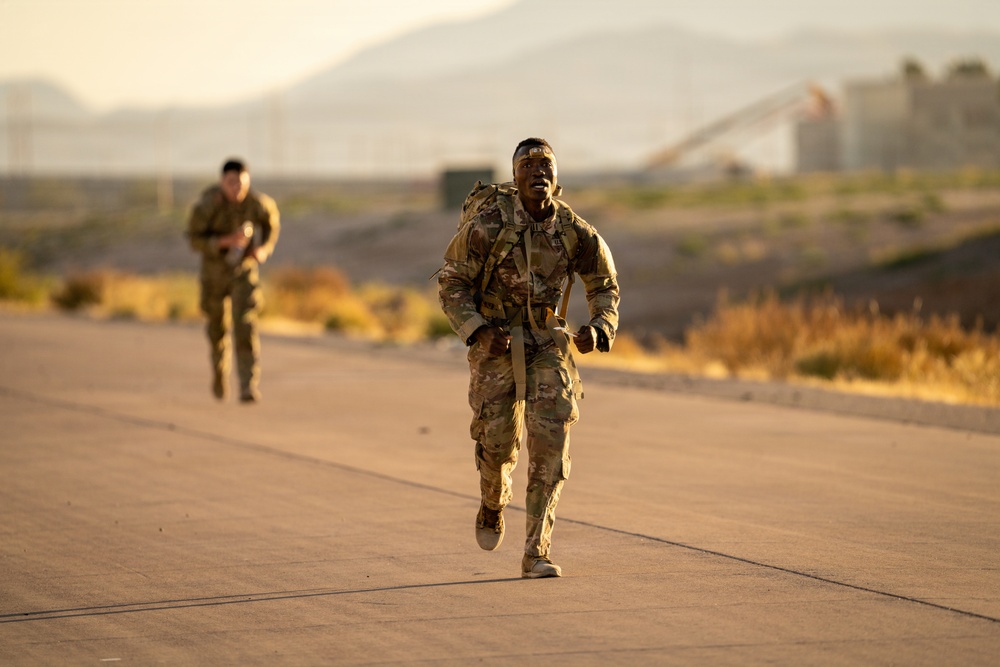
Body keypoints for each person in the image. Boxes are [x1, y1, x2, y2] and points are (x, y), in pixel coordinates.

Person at [438, 138, 620, 578]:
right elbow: (451, 282)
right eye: (528, 165)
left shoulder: (574, 231)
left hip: (546, 343)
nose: (538, 171)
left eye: (546, 165)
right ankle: (492, 502)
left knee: (551, 441)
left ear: (557, 180)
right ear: (515, 177)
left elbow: (605, 286)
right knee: (498, 446)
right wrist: (480, 332)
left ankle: (536, 550)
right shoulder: (487, 225)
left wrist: (598, 328)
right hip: (495, 341)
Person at [186, 158, 280, 403]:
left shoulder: (258, 204)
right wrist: (222, 242)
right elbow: (193, 239)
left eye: (241, 183)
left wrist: (263, 250)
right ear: (222, 182)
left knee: (245, 326)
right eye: (231, 183)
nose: (236, 188)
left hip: (243, 274)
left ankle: (247, 384)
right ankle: (219, 371)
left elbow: (272, 225)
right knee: (217, 330)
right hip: (214, 275)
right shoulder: (207, 206)